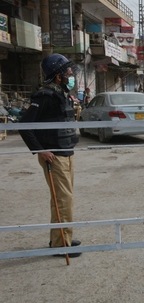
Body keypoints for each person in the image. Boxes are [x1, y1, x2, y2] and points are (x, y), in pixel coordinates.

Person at [18, 53, 81, 257]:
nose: (71, 75)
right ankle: (62, 244)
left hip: (66, 152)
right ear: (57, 76)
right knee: (63, 200)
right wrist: (40, 150)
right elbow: (25, 127)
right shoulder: (44, 96)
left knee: (63, 200)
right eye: (67, 72)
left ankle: (61, 238)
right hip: (53, 155)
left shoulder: (62, 94)